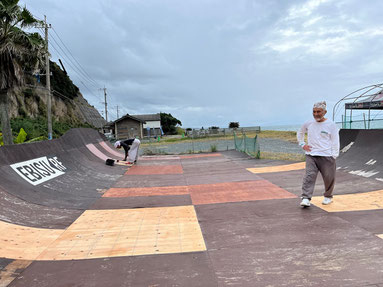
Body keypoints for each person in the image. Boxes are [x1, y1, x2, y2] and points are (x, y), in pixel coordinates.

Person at [297, 101, 340, 207]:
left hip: (327, 155)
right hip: (311, 155)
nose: (316, 114)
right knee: (309, 176)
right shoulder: (308, 123)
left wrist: (334, 155)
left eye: (319, 112)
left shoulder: (331, 125)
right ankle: (306, 198)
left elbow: (335, 140)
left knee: (329, 177)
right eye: (314, 112)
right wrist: (302, 144)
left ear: (325, 112)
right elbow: (300, 132)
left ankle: (328, 196)